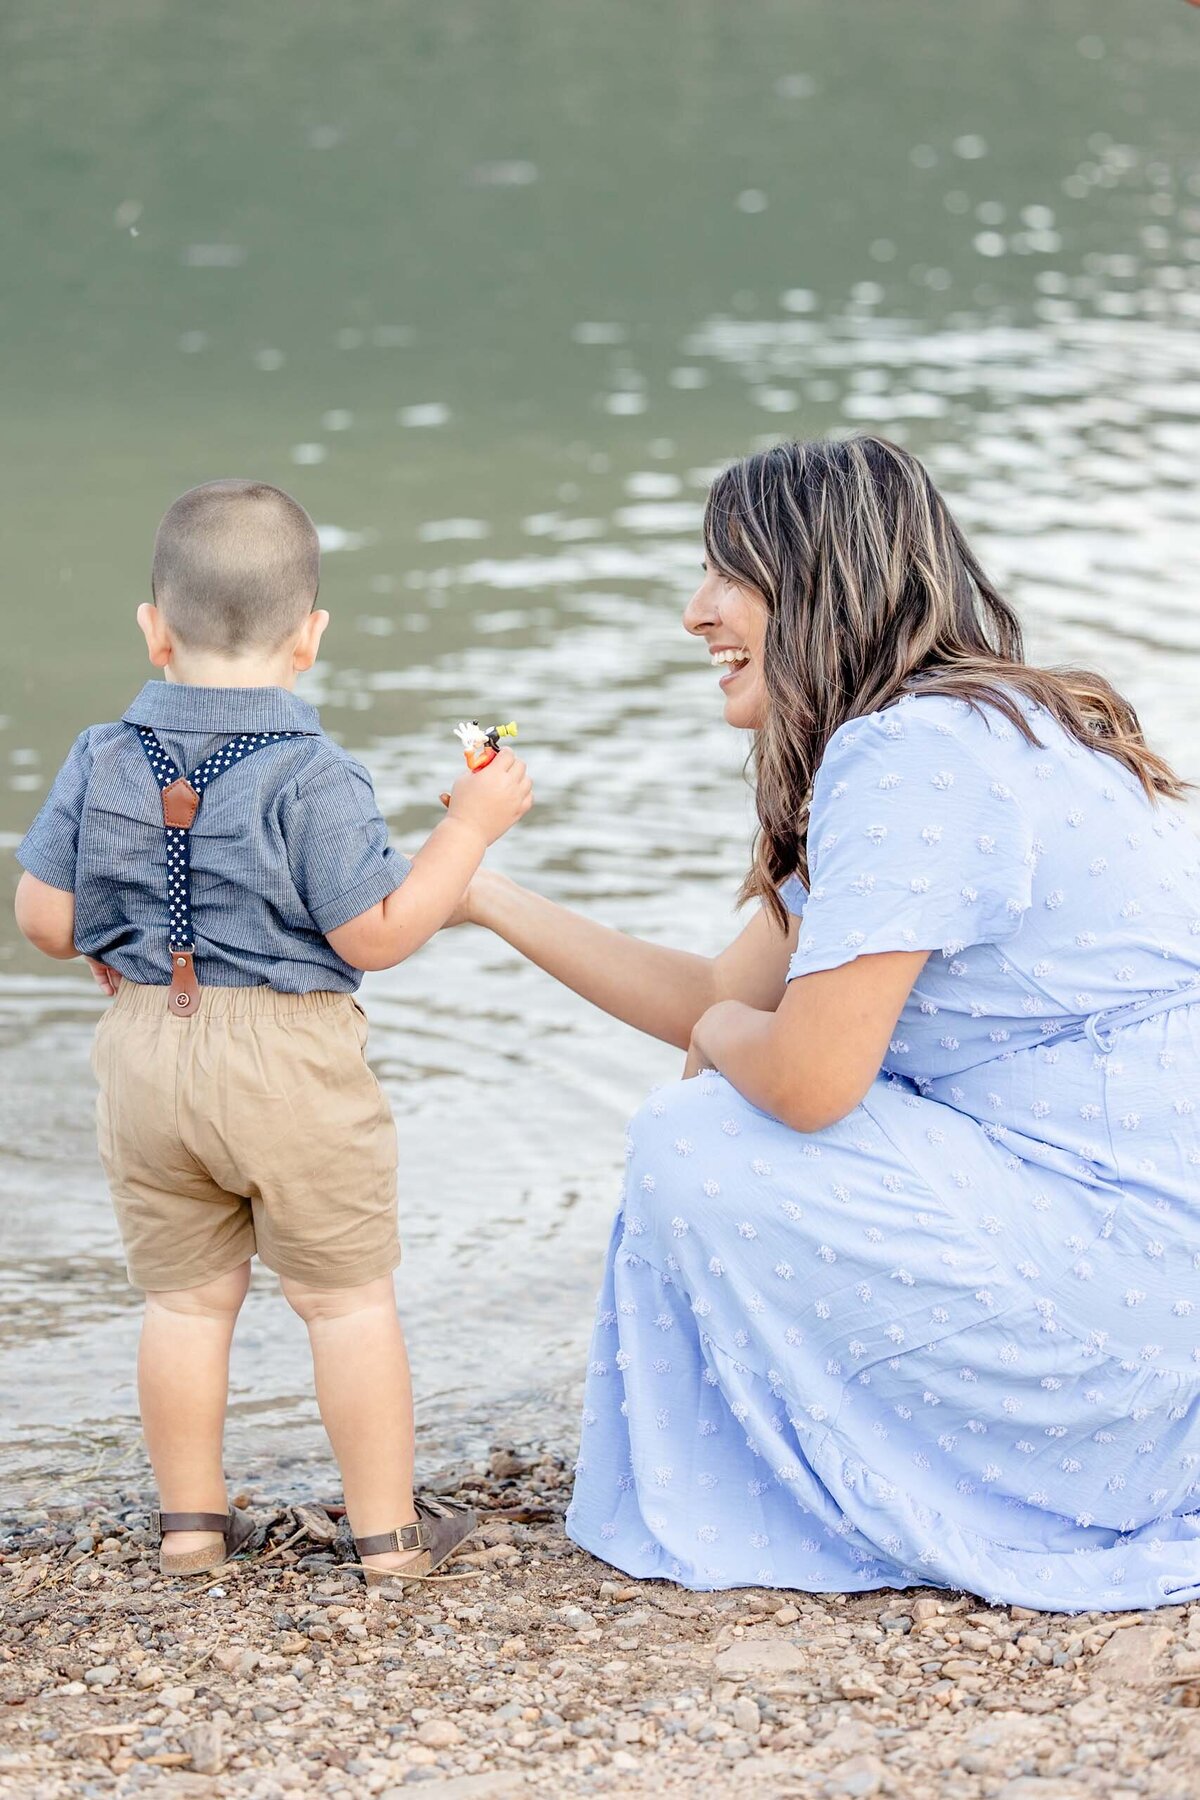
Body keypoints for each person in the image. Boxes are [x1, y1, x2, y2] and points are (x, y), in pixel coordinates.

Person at [451, 436, 1200, 1611]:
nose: (694, 612)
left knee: (695, 1141)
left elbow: (802, 1077)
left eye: (725, 574)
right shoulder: (975, 728)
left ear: (818, 580)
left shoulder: (911, 757)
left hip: (1125, 1306)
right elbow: (720, 996)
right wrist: (478, 893)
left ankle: (983, 1484)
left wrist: (721, 1055)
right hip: (1147, 1272)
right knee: (722, 1099)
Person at [14, 479, 532, 1587]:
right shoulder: (317, 774)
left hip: (144, 1054)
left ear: (153, 629)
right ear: (311, 640)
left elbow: (45, 923)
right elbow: (380, 932)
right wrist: (473, 828)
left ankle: (191, 1530)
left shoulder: (101, 754)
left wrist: (122, 943)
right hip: (288, 1061)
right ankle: (389, 1539)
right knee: (343, 1299)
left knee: (186, 1302)